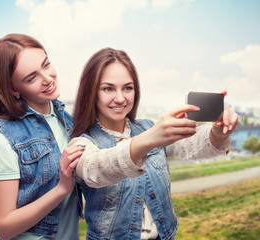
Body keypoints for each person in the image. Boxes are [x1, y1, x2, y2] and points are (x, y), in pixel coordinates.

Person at [69, 48, 238, 240]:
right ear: (91, 92)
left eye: (127, 88)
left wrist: (219, 131)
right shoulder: (81, 144)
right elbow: (99, 169)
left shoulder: (148, 127)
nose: (120, 98)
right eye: (108, 88)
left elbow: (192, 145)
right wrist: (150, 138)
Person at [0, 33, 84, 240]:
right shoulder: (2, 137)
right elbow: (4, 227)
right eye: (32, 77)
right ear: (14, 89)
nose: (48, 79)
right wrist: (61, 189)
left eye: (46, 65)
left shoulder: (67, 121)